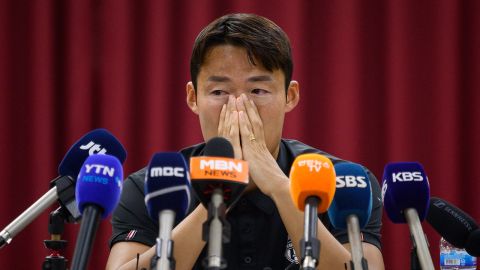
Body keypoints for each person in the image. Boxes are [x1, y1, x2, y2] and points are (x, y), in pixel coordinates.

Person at [106, 13, 385, 270]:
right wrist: (218, 194)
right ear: (193, 98)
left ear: (290, 96)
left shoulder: (342, 181)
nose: (239, 107)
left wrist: (279, 186)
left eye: (258, 90)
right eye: (219, 92)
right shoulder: (154, 185)